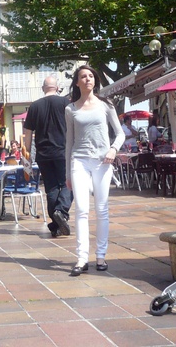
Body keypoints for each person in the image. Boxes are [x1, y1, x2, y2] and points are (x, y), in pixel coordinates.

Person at [65, 65, 124, 276]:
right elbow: (69, 143)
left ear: (95, 81)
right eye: (83, 76)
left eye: (91, 76)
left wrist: (113, 149)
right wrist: (67, 173)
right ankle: (81, 258)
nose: (88, 79)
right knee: (81, 209)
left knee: (101, 209)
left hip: (102, 162)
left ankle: (100, 256)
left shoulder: (106, 105)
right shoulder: (70, 109)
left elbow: (120, 134)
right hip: (79, 161)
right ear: (77, 82)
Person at [23, 75, 72, 239]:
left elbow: (27, 133)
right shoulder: (66, 103)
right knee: (68, 184)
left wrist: (27, 156)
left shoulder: (34, 106)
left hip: (43, 154)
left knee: (51, 187)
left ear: (43, 88)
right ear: (57, 88)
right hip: (63, 151)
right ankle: (61, 211)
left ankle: (56, 225)